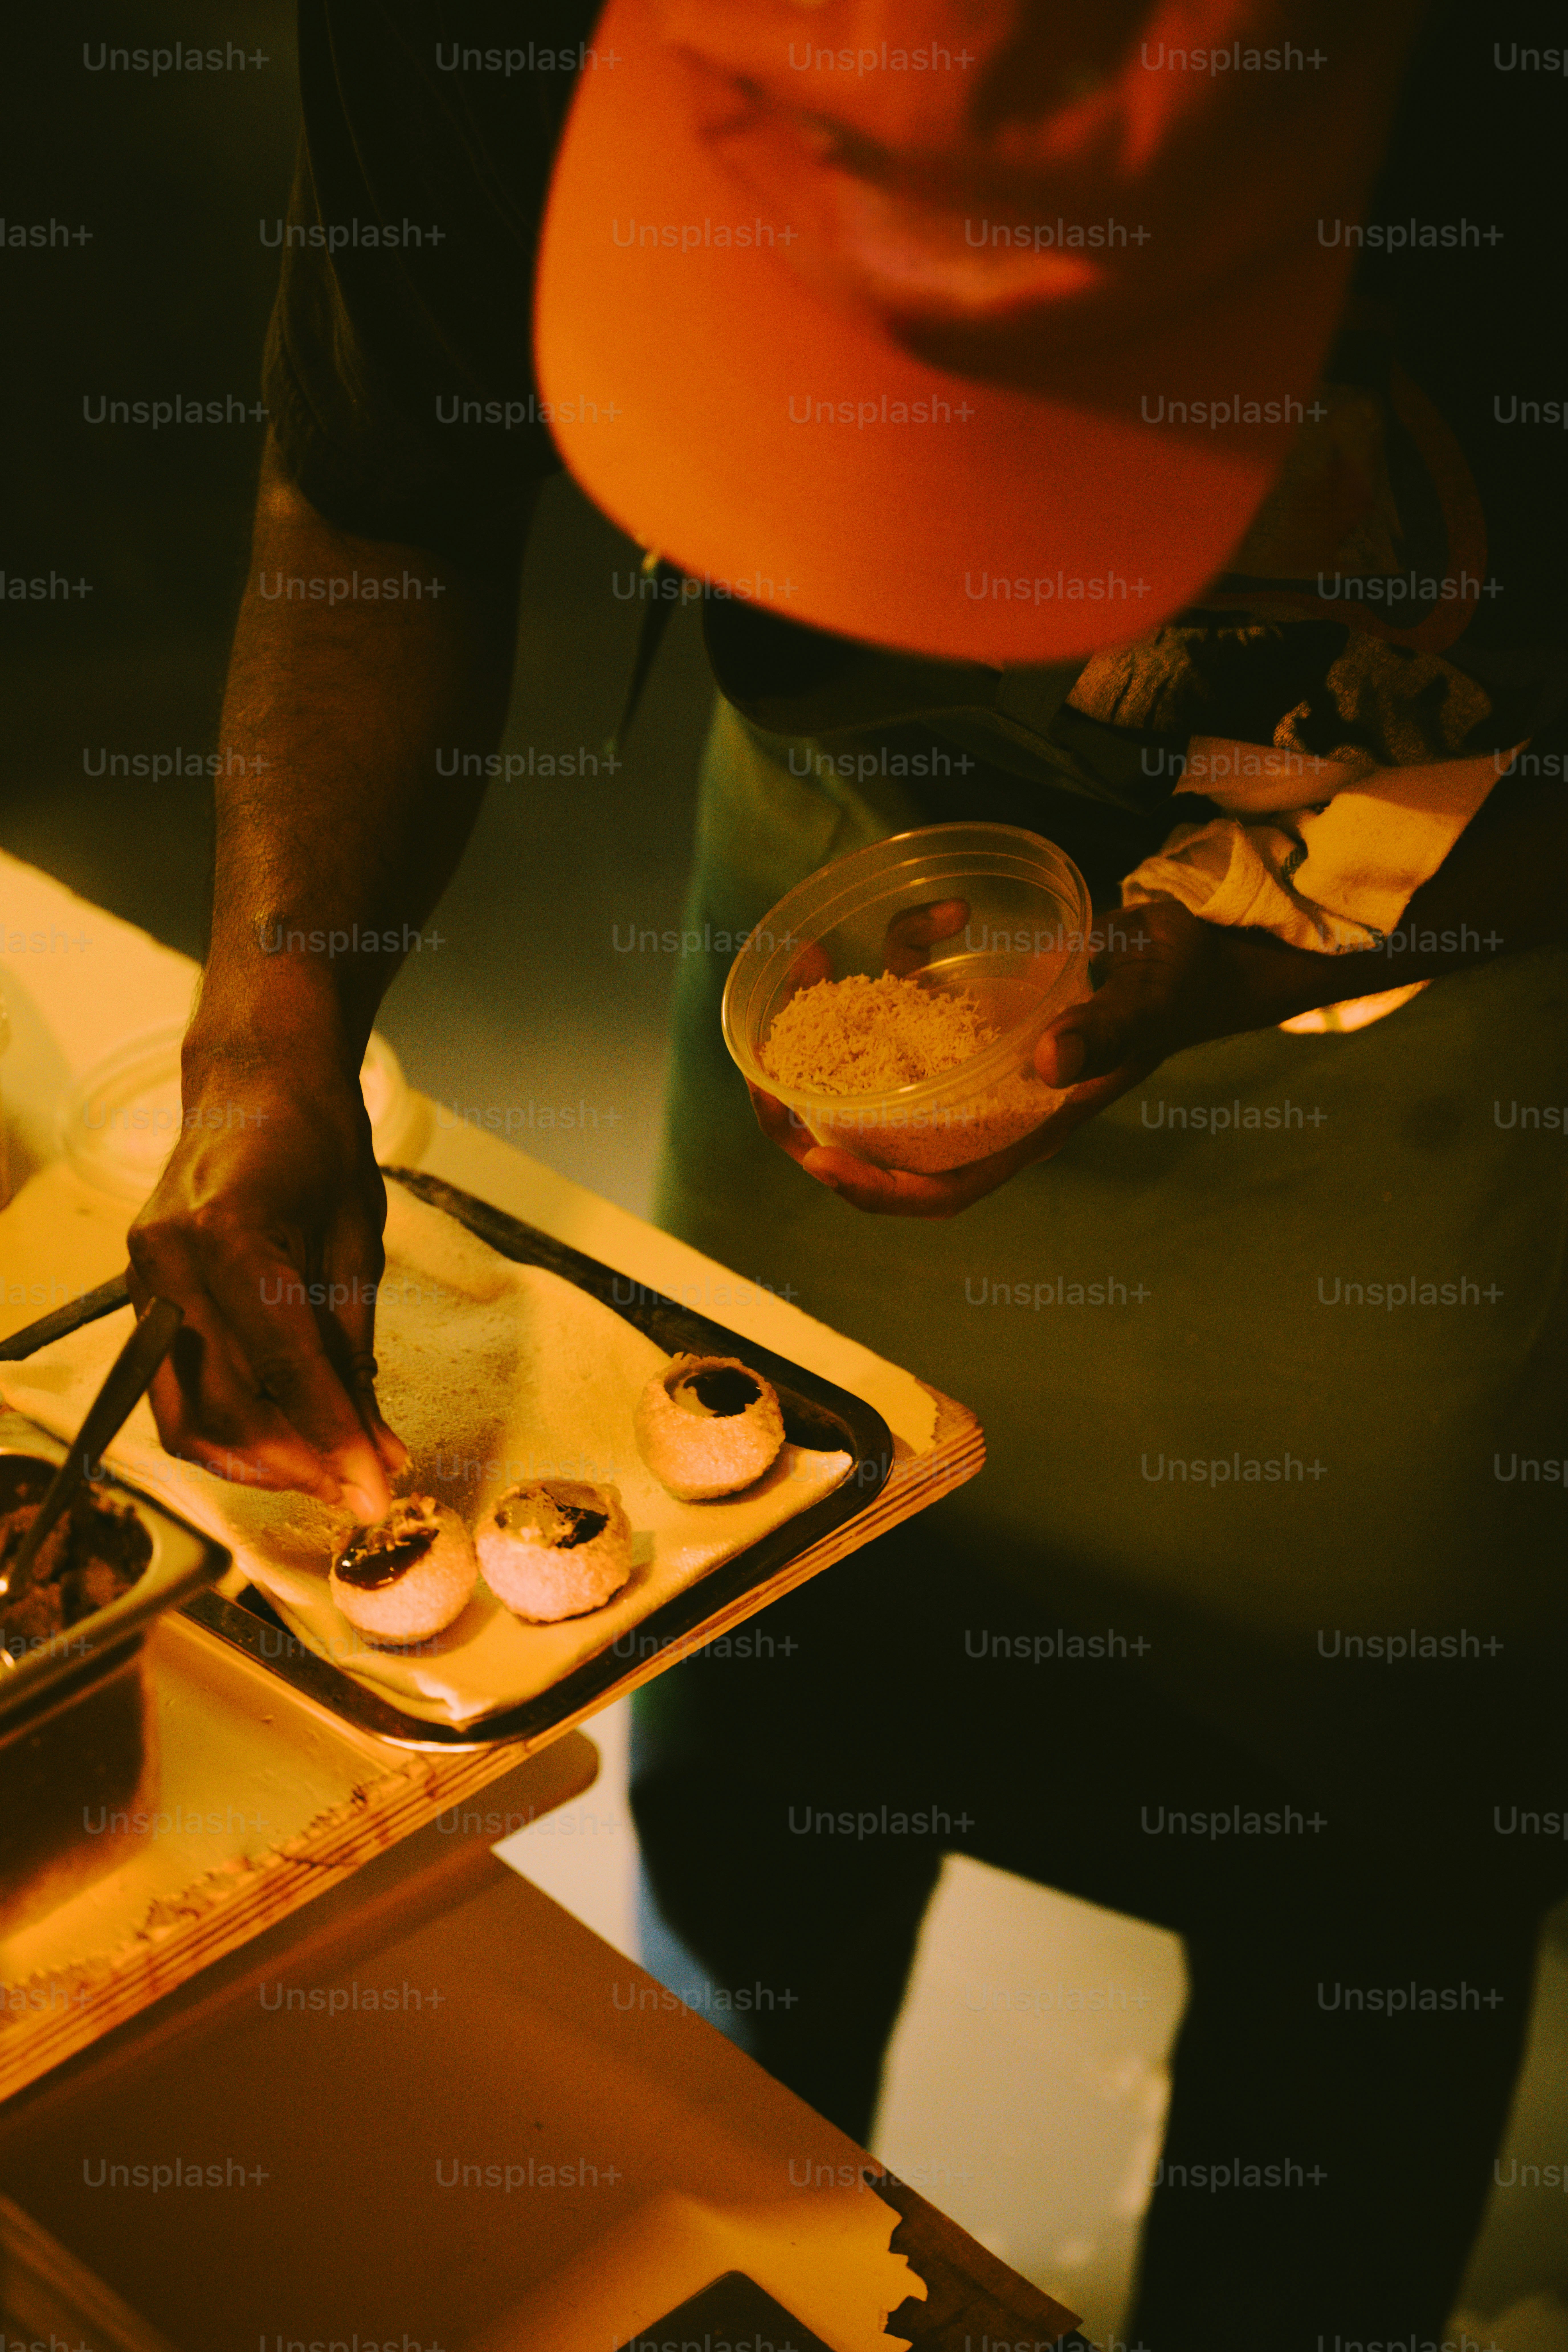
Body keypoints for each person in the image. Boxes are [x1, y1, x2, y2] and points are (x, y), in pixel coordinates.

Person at [127, 0, 1568, 2341]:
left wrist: (1286, 927)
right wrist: (265, 1040)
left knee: (1357, 1891)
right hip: (865, 872)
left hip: (1440, 1028)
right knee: (773, 1710)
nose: (939, 558)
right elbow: (382, 489)